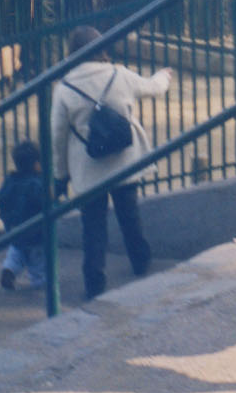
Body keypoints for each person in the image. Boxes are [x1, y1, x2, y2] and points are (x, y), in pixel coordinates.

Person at [51, 26, 173, 299]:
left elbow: (58, 137)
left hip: (87, 168)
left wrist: (61, 175)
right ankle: (141, 262)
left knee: (93, 226)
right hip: (124, 161)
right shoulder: (120, 74)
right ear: (102, 48)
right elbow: (152, 88)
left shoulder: (64, 87)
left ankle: (94, 281)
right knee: (129, 215)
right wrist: (163, 76)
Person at [0, 140, 48, 291]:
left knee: (16, 254)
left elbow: (2, 202)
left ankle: (9, 269)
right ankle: (40, 285)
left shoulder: (9, 181)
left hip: (14, 230)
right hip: (36, 235)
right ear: (36, 164)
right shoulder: (36, 184)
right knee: (39, 264)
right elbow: (45, 203)